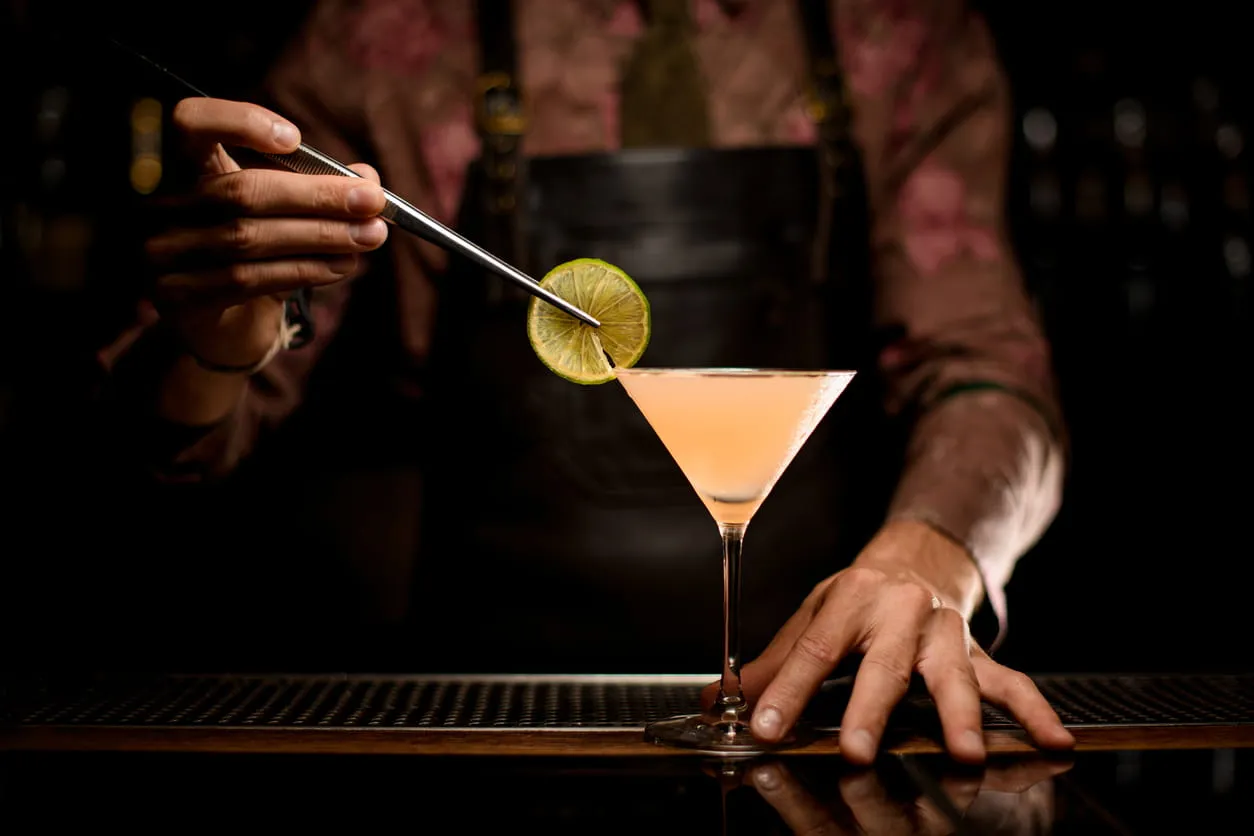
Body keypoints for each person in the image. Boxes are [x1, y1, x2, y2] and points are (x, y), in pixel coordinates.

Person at [79, 0, 1073, 765]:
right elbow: (164, 455)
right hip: (482, 726)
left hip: (818, 731)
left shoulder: (898, 26)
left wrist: (936, 555)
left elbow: (990, 365)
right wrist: (210, 344)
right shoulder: (385, 31)